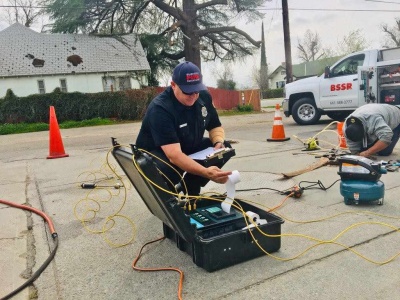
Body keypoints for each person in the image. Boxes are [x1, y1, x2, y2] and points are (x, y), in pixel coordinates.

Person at [136, 61, 232, 195]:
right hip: (157, 154)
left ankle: (190, 186)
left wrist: (218, 142)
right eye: (188, 92)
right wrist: (206, 172)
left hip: (185, 145)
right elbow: (174, 155)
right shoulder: (160, 109)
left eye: (196, 90)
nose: (193, 96)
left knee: (224, 149)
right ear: (173, 85)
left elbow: (215, 125)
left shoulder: (203, 96)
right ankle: (170, 193)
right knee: (169, 169)